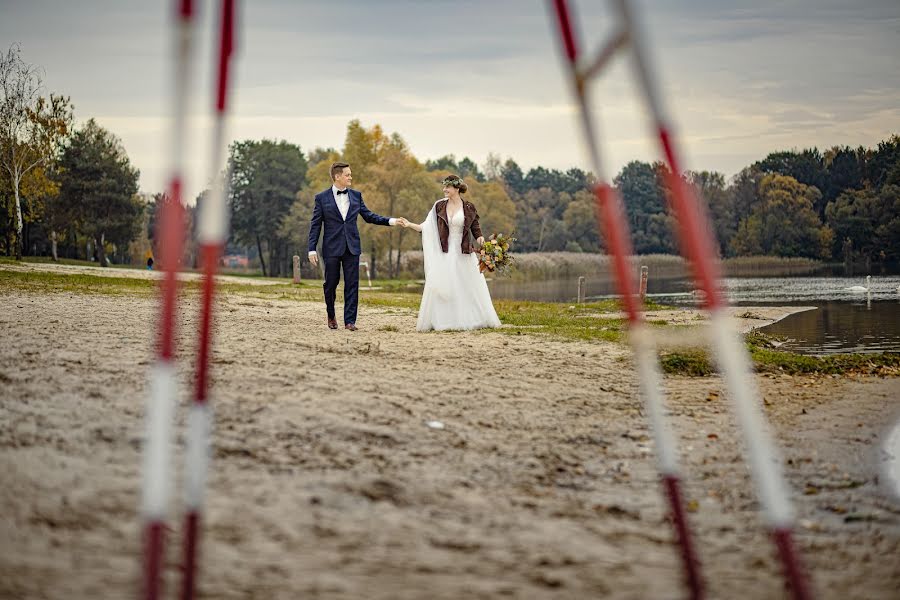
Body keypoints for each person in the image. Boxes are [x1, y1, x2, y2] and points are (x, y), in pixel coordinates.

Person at [308, 162, 405, 331]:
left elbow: (369, 216)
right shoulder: (321, 198)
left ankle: (349, 321)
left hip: (352, 247)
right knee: (331, 283)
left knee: (352, 284)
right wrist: (311, 249)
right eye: (347, 175)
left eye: (350, 174)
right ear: (337, 176)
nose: (350, 177)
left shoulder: (356, 196)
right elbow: (315, 225)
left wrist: (391, 221)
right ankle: (331, 314)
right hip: (331, 248)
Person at [400, 174, 501, 331]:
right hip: (445, 253)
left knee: (467, 287)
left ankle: (473, 318)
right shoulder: (439, 206)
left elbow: (477, 233)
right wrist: (409, 224)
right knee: (444, 285)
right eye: (444, 186)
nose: (444, 189)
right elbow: (425, 227)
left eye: (447, 187)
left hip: (465, 253)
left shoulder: (469, 208)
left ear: (456, 188)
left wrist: (489, 247)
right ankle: (444, 320)